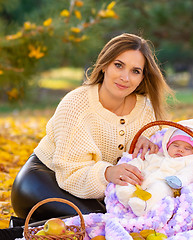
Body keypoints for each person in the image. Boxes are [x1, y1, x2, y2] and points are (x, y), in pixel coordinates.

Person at [10, 33, 173, 227]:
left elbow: (155, 162)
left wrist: (151, 144)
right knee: (102, 221)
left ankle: (41, 226)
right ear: (104, 65)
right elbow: (69, 174)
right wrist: (108, 173)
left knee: (133, 220)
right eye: (118, 65)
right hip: (43, 179)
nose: (125, 77)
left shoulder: (146, 109)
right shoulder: (76, 104)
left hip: (98, 191)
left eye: (135, 71)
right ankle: (16, 233)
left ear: (142, 77)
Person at [115, 119, 193, 216]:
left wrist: (179, 180)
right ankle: (126, 195)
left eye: (187, 148)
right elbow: (141, 161)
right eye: (175, 145)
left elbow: (189, 174)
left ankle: (143, 205)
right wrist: (133, 167)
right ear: (167, 146)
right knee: (128, 178)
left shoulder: (190, 162)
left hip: (166, 184)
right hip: (141, 181)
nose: (180, 150)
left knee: (160, 188)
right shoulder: (157, 155)